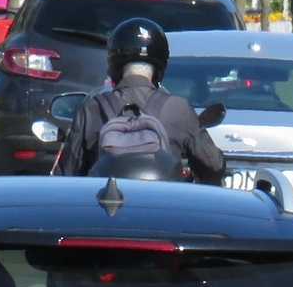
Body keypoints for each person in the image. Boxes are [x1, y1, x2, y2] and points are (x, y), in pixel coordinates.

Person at [51, 16, 225, 183]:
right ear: (160, 66)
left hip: (106, 210)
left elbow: (67, 176)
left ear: (114, 63)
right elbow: (214, 167)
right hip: (162, 210)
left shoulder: (91, 109)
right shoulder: (179, 109)